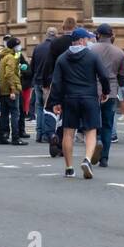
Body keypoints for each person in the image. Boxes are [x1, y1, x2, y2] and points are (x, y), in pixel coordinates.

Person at [47, 26, 109, 178]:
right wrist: (105, 92)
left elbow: (56, 83)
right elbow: (103, 76)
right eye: (87, 39)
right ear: (81, 40)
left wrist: (55, 101)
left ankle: (69, 168)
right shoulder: (92, 56)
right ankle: (87, 160)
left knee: (68, 132)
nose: (89, 41)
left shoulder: (62, 58)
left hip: (69, 99)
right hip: (89, 98)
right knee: (91, 131)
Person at [90, 24, 124, 166]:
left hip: (92, 90)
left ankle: (95, 142)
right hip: (110, 91)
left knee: (92, 122)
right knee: (108, 124)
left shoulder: (91, 50)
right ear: (111, 35)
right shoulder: (119, 52)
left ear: (98, 35)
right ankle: (104, 158)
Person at [0, 37, 27, 146]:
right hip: (10, 90)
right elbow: (9, 74)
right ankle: (15, 137)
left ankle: (1, 137)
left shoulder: (4, 56)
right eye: (18, 45)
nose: (20, 47)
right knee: (15, 114)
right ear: (14, 46)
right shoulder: (11, 58)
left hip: (4, 89)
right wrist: (13, 89)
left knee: (4, 114)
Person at [31, 28, 57, 142]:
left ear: (46, 35)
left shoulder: (38, 47)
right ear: (56, 35)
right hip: (49, 82)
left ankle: (39, 134)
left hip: (38, 81)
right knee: (49, 108)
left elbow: (32, 66)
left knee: (39, 107)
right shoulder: (56, 48)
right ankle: (47, 135)